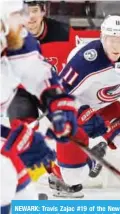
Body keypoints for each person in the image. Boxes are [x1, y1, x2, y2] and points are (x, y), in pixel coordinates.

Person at [54, 15, 120, 198]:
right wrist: (81, 116)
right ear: (102, 38)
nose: (116, 46)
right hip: (77, 107)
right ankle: (74, 166)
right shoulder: (85, 60)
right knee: (73, 177)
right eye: (111, 39)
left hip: (107, 106)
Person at [0, 0, 76, 211]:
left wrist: (59, 106)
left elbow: (38, 73)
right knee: (4, 178)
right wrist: (11, 137)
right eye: (17, 15)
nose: (25, 19)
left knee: (25, 196)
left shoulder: (15, 39)